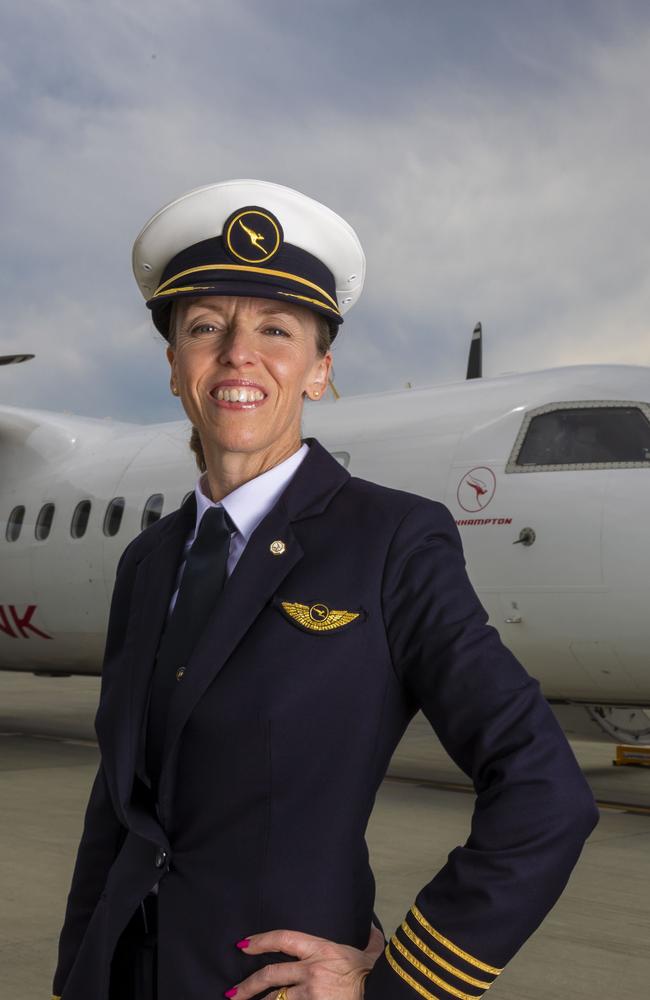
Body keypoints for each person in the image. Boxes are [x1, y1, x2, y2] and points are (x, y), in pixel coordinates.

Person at [50, 179, 599, 1000]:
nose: (239, 353)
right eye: (206, 328)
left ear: (318, 370)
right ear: (174, 368)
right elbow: (117, 804)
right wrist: (76, 973)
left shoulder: (390, 541)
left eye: (276, 329)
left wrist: (400, 985)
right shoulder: (149, 561)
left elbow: (546, 791)